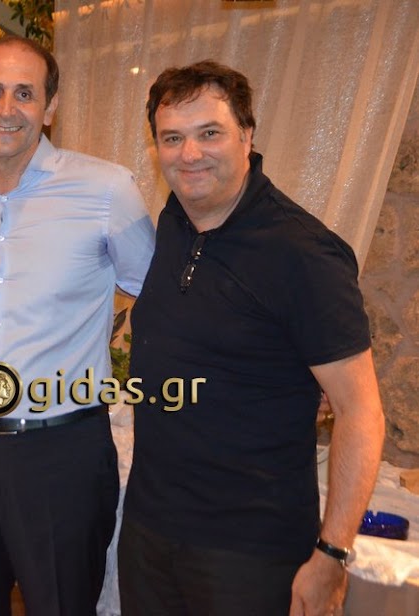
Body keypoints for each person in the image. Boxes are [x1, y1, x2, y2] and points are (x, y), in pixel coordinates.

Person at [119, 60, 385, 616]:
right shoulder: (174, 221)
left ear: (247, 135)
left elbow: (360, 411)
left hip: (250, 552)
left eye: (209, 133)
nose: (190, 154)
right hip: (149, 531)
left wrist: (332, 555)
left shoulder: (304, 253)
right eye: (172, 138)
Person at [0, 36, 156, 615]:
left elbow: (156, 292)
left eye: (25, 94)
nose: (7, 109)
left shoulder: (106, 189)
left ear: (50, 107)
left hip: (62, 451)